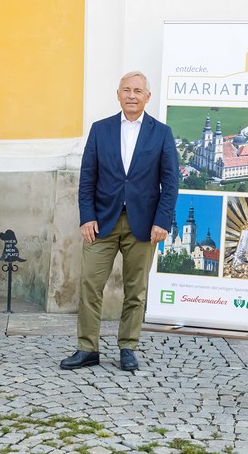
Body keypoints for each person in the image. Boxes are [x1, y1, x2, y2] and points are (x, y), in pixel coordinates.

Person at [60, 71, 178, 372]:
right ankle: (87, 348)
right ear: (118, 94)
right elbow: (87, 178)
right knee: (90, 284)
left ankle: (128, 347)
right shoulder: (100, 130)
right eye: (126, 90)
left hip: (144, 224)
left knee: (135, 289)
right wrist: (87, 217)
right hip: (102, 222)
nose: (132, 95)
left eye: (138, 91)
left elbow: (170, 183)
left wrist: (162, 221)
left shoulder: (161, 133)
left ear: (147, 97)